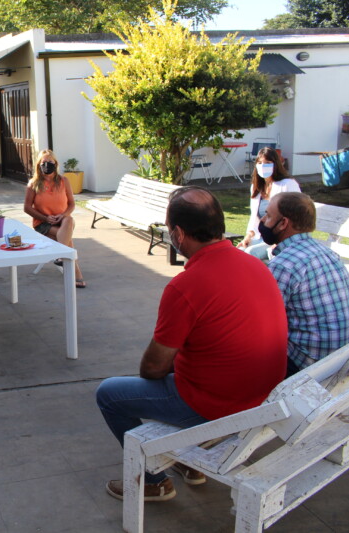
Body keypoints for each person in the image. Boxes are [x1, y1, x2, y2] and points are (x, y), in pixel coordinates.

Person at [96, 187, 287, 502]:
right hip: (262, 395)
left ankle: (154, 482)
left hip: (221, 405)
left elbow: (152, 369)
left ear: (179, 234)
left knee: (109, 393)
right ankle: (188, 462)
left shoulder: (185, 286)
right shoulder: (256, 265)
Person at [260, 192, 349, 376]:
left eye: (268, 215)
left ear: (283, 223)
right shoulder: (326, 253)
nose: (263, 220)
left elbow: (259, 322)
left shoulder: (284, 265)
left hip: (309, 367)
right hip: (342, 359)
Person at [24, 149, 86, 288]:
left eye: (50, 162)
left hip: (62, 221)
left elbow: (71, 204)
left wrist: (62, 215)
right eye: (44, 162)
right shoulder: (33, 183)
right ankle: (76, 272)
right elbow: (27, 208)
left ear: (56, 163)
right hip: (43, 224)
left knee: (69, 220)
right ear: (39, 165)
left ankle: (61, 255)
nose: (47, 165)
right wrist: (45, 218)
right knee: (67, 240)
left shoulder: (64, 181)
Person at [237, 146, 300, 260]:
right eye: (260, 163)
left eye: (267, 163)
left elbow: (297, 216)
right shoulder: (256, 187)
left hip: (280, 239)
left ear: (276, 164)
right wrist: (248, 236)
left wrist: (279, 243)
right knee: (239, 251)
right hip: (260, 236)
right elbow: (254, 217)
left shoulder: (288, 184)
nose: (263, 166)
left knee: (250, 254)